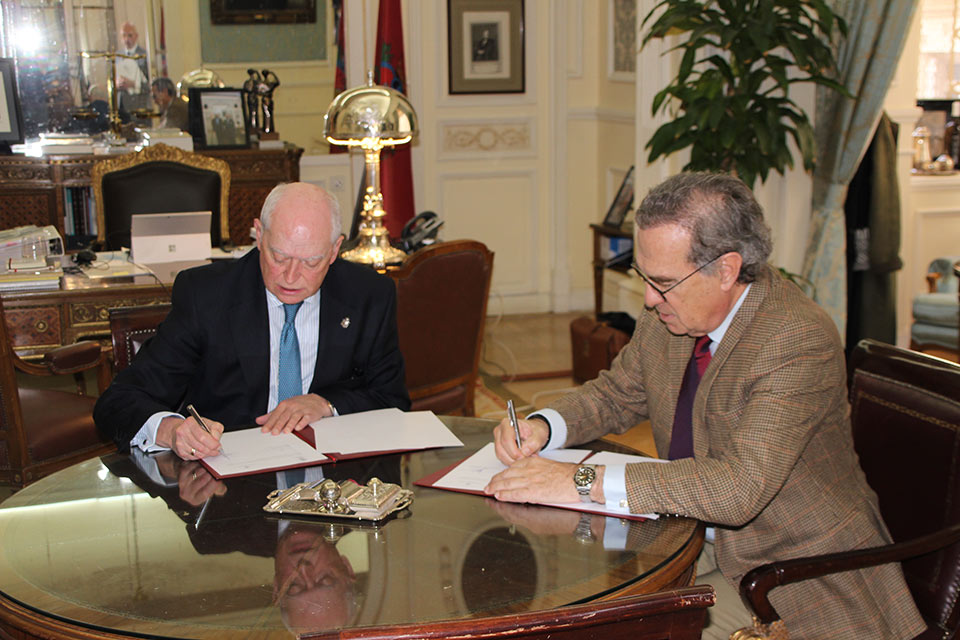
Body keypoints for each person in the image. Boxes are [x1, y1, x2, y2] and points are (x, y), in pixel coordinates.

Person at [484, 172, 925, 639]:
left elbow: (737, 489)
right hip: (691, 538)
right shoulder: (674, 315)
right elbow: (617, 393)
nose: (650, 299)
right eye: (646, 278)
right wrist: (543, 426)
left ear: (727, 269)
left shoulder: (796, 338)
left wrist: (579, 479)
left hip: (793, 569)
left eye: (664, 282)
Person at [94, 182, 410, 459]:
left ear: (334, 250)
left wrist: (326, 404)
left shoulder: (369, 294)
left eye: (310, 261)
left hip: (332, 485)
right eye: (279, 256)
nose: (290, 276)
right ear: (258, 235)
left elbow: (392, 399)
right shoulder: (206, 296)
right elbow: (119, 401)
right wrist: (171, 429)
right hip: (228, 481)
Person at [116, 22, 150, 119]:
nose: (127, 39)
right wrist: (117, 83)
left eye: (130, 35)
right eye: (124, 36)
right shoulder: (117, 56)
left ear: (136, 36)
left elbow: (150, 83)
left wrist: (134, 84)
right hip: (121, 105)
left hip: (138, 104)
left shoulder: (144, 56)